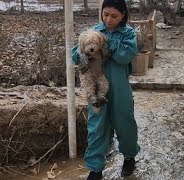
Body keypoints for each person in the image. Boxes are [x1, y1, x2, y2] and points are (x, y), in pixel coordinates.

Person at [72, 0, 140, 179]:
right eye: (105, 15)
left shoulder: (128, 33)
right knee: (96, 126)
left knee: (125, 123)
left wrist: (107, 45)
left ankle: (129, 157)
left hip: (120, 88)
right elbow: (75, 54)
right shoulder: (94, 32)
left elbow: (126, 55)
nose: (108, 20)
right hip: (96, 86)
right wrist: (82, 54)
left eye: (114, 16)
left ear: (123, 15)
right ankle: (95, 169)